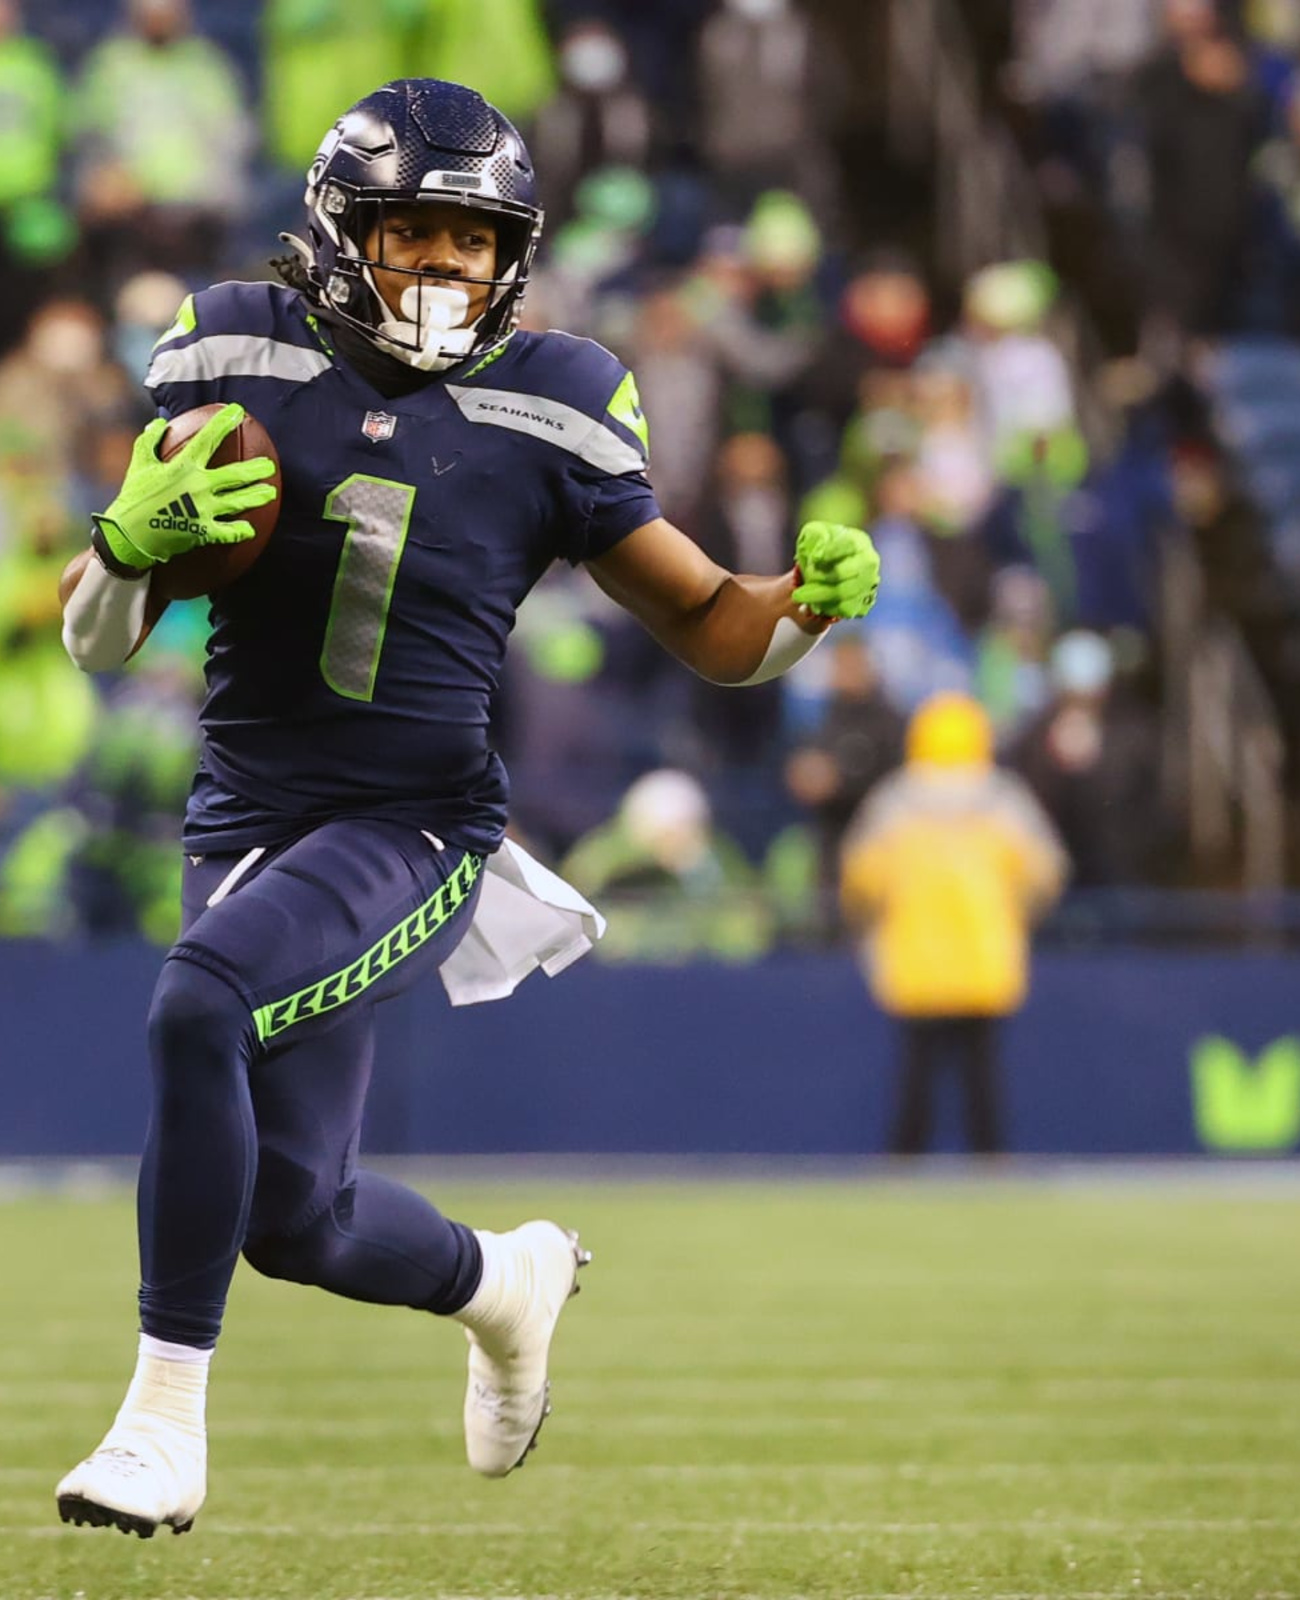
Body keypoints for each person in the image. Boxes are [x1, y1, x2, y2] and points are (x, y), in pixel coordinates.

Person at [52, 78, 879, 1538]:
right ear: (338, 232)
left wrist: (802, 610)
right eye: (413, 234)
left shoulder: (551, 398)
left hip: (416, 821)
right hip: (245, 819)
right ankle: (509, 1282)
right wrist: (123, 556)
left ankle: (158, 1427)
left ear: (516, 256)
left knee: (197, 1007)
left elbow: (710, 621)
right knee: (292, 1220)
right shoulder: (232, 347)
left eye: (472, 242)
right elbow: (99, 641)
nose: (443, 269)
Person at [840, 692, 1065, 1156]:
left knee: (916, 1077)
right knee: (982, 1078)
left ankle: (904, 1166)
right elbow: (1046, 872)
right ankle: (991, 1165)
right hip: (985, 959)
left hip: (915, 959)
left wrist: (871, 923)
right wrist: (1018, 915)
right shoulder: (1003, 799)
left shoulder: (896, 801)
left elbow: (859, 878)